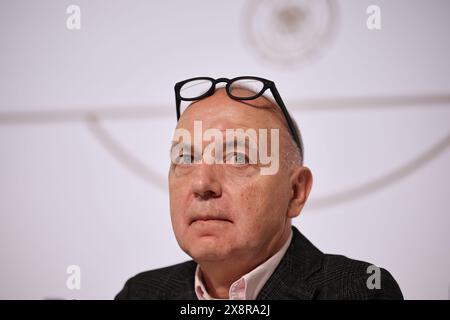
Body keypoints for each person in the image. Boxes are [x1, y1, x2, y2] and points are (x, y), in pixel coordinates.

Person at [115, 77, 403, 300]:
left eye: (238, 158)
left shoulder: (359, 288)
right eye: (185, 158)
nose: (202, 184)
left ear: (295, 192)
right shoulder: (140, 292)